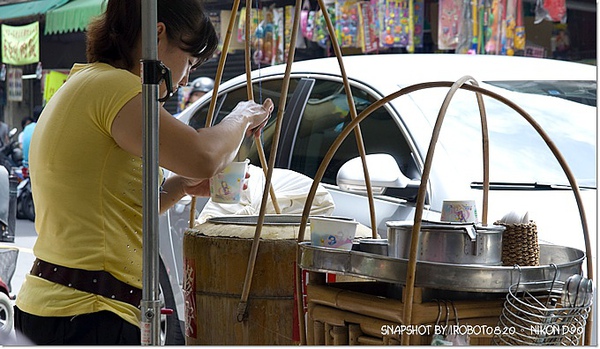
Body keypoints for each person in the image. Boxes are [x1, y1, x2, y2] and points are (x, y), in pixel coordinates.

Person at [13, 0, 273, 345]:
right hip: (87, 314)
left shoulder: (85, 82)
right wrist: (241, 116)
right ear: (157, 34)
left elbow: (110, 212)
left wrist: (178, 188)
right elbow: (203, 156)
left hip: (61, 308)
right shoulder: (114, 88)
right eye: (189, 61)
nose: (184, 78)